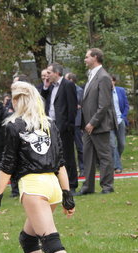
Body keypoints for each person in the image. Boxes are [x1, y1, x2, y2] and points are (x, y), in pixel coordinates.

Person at [0, 81, 95, 253]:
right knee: (28, 238)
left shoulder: (14, 126)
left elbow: (7, 164)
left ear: (17, 101)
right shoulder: (50, 124)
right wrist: (67, 196)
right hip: (52, 186)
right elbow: (60, 163)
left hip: (33, 188)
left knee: (50, 240)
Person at [76, 48, 116, 195]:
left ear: (95, 57)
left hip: (98, 125)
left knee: (104, 156)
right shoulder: (91, 75)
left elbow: (104, 104)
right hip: (87, 125)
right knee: (87, 156)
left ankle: (107, 186)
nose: (85, 59)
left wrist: (93, 122)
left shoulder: (103, 77)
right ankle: (88, 187)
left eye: (87, 57)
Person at [41, 63, 78, 192]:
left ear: (57, 73)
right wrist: (45, 86)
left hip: (64, 127)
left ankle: (71, 184)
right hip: (51, 126)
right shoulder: (50, 87)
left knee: (68, 157)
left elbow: (72, 107)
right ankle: (59, 184)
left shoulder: (67, 85)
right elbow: (43, 98)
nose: (47, 76)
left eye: (49, 73)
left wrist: (69, 125)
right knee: (55, 156)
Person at [65, 72, 84, 176]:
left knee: (79, 146)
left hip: (76, 122)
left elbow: (76, 104)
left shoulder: (78, 90)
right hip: (68, 122)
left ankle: (82, 168)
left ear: (71, 80)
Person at [110, 75, 129, 174]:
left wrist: (123, 117)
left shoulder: (120, 90)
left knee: (121, 143)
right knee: (112, 144)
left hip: (120, 120)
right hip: (109, 122)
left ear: (114, 81)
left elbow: (126, 105)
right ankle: (117, 166)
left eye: (111, 81)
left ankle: (117, 158)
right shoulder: (104, 93)